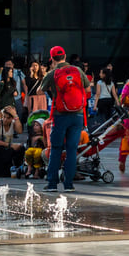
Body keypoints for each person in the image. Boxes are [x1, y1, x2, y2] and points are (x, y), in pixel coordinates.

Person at [39, 46, 90, 193]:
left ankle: (52, 184)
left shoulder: (53, 73)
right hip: (78, 114)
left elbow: (39, 91)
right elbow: (87, 90)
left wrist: (53, 91)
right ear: (65, 56)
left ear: (52, 59)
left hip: (60, 115)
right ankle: (69, 184)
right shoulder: (78, 71)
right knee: (72, 150)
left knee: (55, 149)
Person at [0, 105, 24, 177]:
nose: (5, 120)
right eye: (4, 117)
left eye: (8, 118)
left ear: (12, 118)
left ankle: (17, 168)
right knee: (0, 148)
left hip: (6, 149)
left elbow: (20, 131)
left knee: (21, 148)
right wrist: (11, 145)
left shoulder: (13, 123)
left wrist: (15, 116)